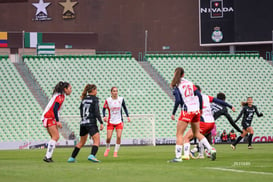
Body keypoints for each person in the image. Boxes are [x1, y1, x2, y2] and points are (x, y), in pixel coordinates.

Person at [170, 67, 216, 162]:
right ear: (183, 74)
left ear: (175, 75)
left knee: (179, 134)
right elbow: (199, 95)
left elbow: (178, 100)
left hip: (187, 111)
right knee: (197, 133)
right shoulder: (190, 83)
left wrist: (174, 112)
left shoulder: (176, 85)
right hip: (196, 111)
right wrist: (199, 108)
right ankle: (210, 149)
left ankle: (178, 157)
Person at [182, 86, 235, 160]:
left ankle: (188, 155)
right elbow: (219, 101)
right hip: (211, 123)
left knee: (186, 137)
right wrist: (230, 106)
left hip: (203, 122)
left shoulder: (193, 100)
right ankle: (202, 154)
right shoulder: (207, 97)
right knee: (200, 136)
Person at [68, 84, 104, 163]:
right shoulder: (95, 99)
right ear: (93, 90)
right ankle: (92, 155)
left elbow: (81, 111)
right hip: (91, 122)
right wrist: (101, 122)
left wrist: (84, 119)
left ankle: (72, 158)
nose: (97, 91)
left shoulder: (84, 99)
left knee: (81, 142)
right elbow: (96, 112)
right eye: (96, 90)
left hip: (83, 122)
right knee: (97, 140)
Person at [41, 81, 72, 162]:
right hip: (49, 116)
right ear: (65, 89)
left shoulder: (59, 95)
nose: (71, 90)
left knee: (54, 137)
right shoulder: (60, 97)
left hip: (48, 116)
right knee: (56, 137)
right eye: (70, 88)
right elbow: (55, 109)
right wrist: (57, 121)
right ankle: (47, 157)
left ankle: (48, 156)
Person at [102, 87, 130, 157]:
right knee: (108, 138)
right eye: (114, 91)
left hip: (119, 121)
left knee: (119, 136)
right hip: (111, 121)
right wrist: (104, 116)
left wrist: (127, 116)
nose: (115, 92)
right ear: (111, 92)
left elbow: (125, 108)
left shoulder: (121, 99)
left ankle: (115, 152)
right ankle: (107, 148)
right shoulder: (108, 100)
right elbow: (104, 109)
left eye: (116, 91)